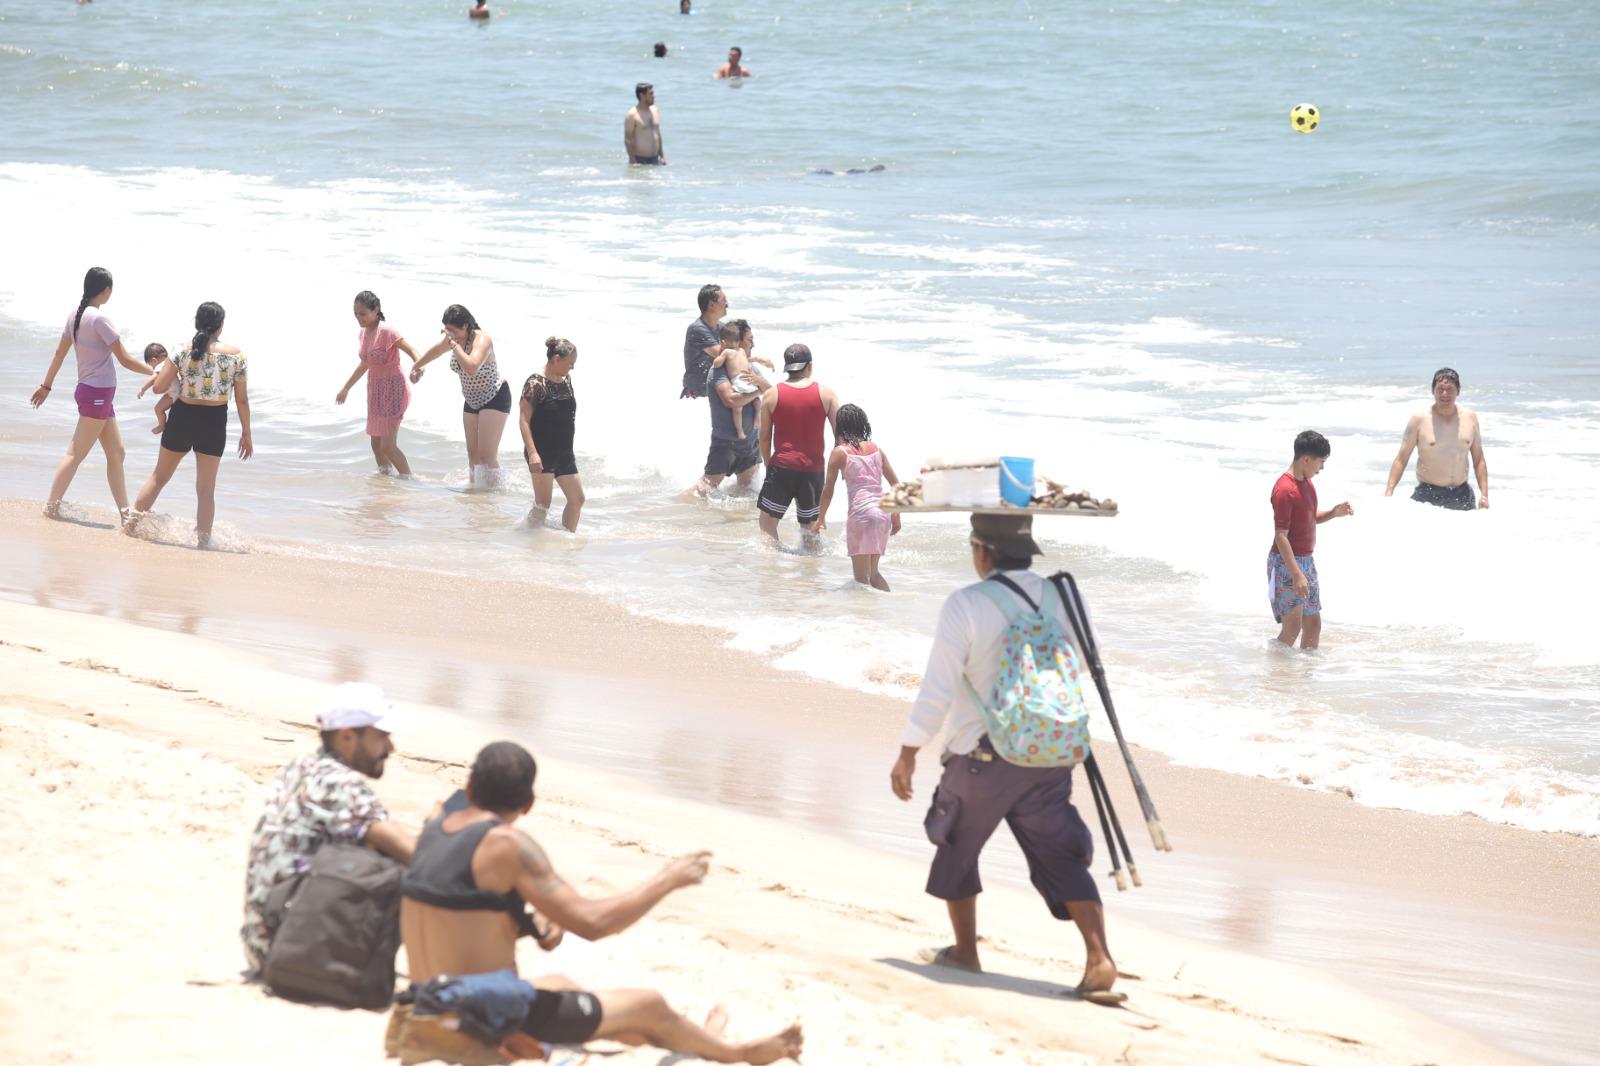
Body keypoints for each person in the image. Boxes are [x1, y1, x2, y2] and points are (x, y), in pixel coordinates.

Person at [396, 741, 803, 1064]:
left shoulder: (435, 827)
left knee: (565, 987)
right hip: (485, 1015)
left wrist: (530, 921)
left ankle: (689, 1041)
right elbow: (593, 924)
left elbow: (460, 908)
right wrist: (668, 879)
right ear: (528, 804)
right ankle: (735, 1053)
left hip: (425, 1003)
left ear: (469, 789)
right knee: (649, 1004)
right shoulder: (508, 845)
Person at [890, 514, 1124, 1004]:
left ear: (982, 552)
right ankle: (1099, 957)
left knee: (956, 839)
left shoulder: (967, 604)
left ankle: (965, 952)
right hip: (1049, 748)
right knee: (1059, 851)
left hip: (982, 751)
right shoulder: (1066, 595)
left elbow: (938, 686)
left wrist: (909, 751)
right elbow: (1084, 661)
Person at [242, 682, 416, 977]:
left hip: (260, 944)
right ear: (348, 736)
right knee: (413, 871)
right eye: (382, 736)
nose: (390, 748)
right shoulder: (343, 784)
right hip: (292, 951)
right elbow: (414, 855)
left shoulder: (300, 767)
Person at [31, 267, 154, 522]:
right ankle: (51, 507)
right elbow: (125, 359)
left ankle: (125, 513)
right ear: (106, 291)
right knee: (75, 454)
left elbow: (59, 354)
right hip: (97, 394)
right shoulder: (99, 319)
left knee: (117, 452)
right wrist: (153, 373)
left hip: (94, 394)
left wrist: (46, 386)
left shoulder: (74, 316)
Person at [128, 301, 253, 549]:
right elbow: (241, 399)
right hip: (214, 422)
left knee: (159, 476)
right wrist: (247, 433)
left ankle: (130, 527)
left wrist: (181, 377)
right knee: (206, 490)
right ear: (221, 325)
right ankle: (203, 544)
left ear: (196, 323)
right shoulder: (237, 356)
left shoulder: (181, 351)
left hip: (183, 417)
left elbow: (159, 388)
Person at [1269, 430, 1354, 650]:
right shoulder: (1284, 489)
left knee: (1313, 624)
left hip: (1306, 562)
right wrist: (1296, 574)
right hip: (1286, 564)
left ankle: (1306, 676)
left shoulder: (1306, 483)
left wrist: (1333, 513)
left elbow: (1309, 519)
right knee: (1292, 628)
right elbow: (1281, 536)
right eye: (1321, 462)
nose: (1321, 468)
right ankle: (1274, 676)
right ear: (1306, 459)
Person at [411, 304, 509, 488]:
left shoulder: (482, 339)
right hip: (471, 399)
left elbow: (471, 367)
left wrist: (454, 346)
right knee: (473, 453)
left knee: (487, 455)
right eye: (446, 330)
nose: (449, 335)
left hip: (495, 396)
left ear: (466, 326)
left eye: (453, 330)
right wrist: (416, 366)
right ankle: (475, 490)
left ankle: (495, 494)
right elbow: (436, 351)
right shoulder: (452, 339)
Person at [756, 344, 838, 542]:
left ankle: (771, 570)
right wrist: (835, 470)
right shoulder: (826, 394)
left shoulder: (771, 394)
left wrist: (769, 465)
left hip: (782, 467)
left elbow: (764, 438)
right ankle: (810, 571)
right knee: (810, 529)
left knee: (767, 526)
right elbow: (840, 436)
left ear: (787, 367)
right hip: (813, 469)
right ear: (809, 365)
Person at [336, 291, 421, 477]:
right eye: (355, 314)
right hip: (375, 392)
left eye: (363, 314)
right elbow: (365, 363)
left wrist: (417, 368)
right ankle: (385, 481)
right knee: (376, 445)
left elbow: (413, 350)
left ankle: (410, 481)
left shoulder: (387, 332)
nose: (359, 318)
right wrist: (346, 387)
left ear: (376, 310)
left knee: (388, 446)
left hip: (394, 390)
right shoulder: (363, 333)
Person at [816, 404, 901, 590]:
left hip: (862, 515)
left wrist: (820, 518)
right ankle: (889, 611)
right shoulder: (877, 450)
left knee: (861, 581)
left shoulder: (840, 452)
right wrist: (896, 515)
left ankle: (863, 619)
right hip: (883, 513)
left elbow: (827, 490)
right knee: (874, 573)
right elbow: (896, 484)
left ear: (840, 426)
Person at [1383, 367, 1489, 510]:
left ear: (1458, 391)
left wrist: (1484, 495)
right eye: (1440, 389)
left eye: (1450, 389)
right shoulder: (1419, 420)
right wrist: (1389, 491)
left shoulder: (1470, 418)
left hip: (1462, 494)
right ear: (1433, 390)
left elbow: (1479, 459)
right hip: (1428, 494)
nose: (1445, 394)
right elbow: (1401, 459)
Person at [518, 337, 584, 531]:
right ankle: (527, 541)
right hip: (541, 452)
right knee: (542, 505)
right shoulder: (534, 384)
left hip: (564, 452)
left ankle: (567, 540)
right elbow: (523, 421)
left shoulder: (566, 380)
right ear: (556, 359)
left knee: (577, 499)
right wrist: (532, 453)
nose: (571, 368)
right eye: (570, 363)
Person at [708, 322, 773, 440]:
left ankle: (744, 430)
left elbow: (771, 393)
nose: (753, 345)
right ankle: (740, 431)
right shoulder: (718, 372)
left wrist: (759, 381)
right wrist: (757, 391)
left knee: (752, 404)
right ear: (739, 342)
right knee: (745, 405)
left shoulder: (749, 367)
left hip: (752, 443)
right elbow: (731, 401)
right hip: (728, 446)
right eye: (750, 340)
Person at [682, 283, 726, 400]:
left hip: (715, 393)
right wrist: (756, 359)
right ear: (711, 305)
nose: (727, 304)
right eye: (723, 300)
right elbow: (721, 354)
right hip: (697, 396)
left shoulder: (722, 328)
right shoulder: (697, 329)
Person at [139, 343, 176, 436]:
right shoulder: (172, 360)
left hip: (175, 393)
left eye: (152, 366)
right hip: (178, 391)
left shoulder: (162, 364)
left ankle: (162, 425)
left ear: (154, 360)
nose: (154, 368)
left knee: (158, 409)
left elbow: (154, 377)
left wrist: (143, 388)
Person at [625, 83, 666, 166]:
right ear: (642, 95)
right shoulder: (632, 114)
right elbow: (627, 139)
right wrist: (633, 160)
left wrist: (662, 156)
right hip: (639, 160)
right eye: (651, 93)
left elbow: (658, 134)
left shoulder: (655, 110)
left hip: (655, 159)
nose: (654, 96)